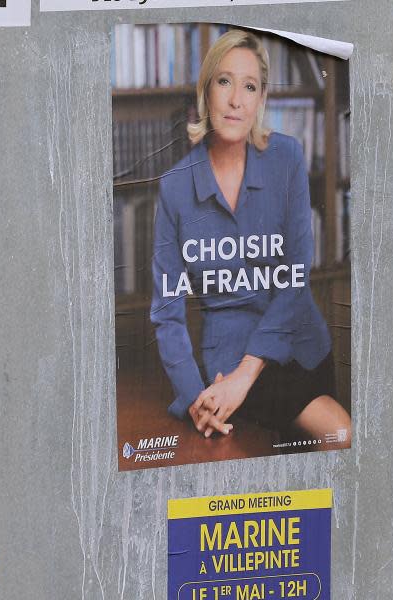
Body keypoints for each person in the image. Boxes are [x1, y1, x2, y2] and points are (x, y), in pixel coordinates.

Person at [151, 29, 351, 449]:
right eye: (224, 82)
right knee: (338, 434)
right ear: (206, 92)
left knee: (330, 453)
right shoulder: (174, 187)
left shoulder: (287, 157)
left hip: (302, 345)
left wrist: (246, 374)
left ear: (261, 100)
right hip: (229, 360)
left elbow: (296, 276)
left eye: (250, 87)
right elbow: (167, 312)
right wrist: (195, 399)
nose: (236, 100)